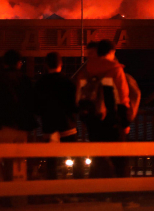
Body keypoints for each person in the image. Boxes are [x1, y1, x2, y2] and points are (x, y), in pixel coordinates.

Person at [76, 39, 130, 178]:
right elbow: (123, 98)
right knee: (120, 160)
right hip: (112, 121)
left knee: (97, 158)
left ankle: (97, 192)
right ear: (112, 52)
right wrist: (125, 123)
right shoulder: (115, 69)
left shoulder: (86, 71)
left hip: (92, 121)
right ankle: (122, 193)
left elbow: (79, 97)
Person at [0, 50, 37, 181]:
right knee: (18, 162)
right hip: (21, 127)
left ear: (4, 63)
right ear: (19, 63)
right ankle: (17, 195)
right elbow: (31, 102)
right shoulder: (25, 79)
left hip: (2, 125)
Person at [35, 51, 82, 179]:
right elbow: (75, 106)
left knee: (51, 162)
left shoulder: (40, 83)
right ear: (61, 64)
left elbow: (37, 108)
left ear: (46, 65)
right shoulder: (68, 82)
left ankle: (52, 190)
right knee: (76, 158)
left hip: (49, 127)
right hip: (68, 125)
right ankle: (79, 188)